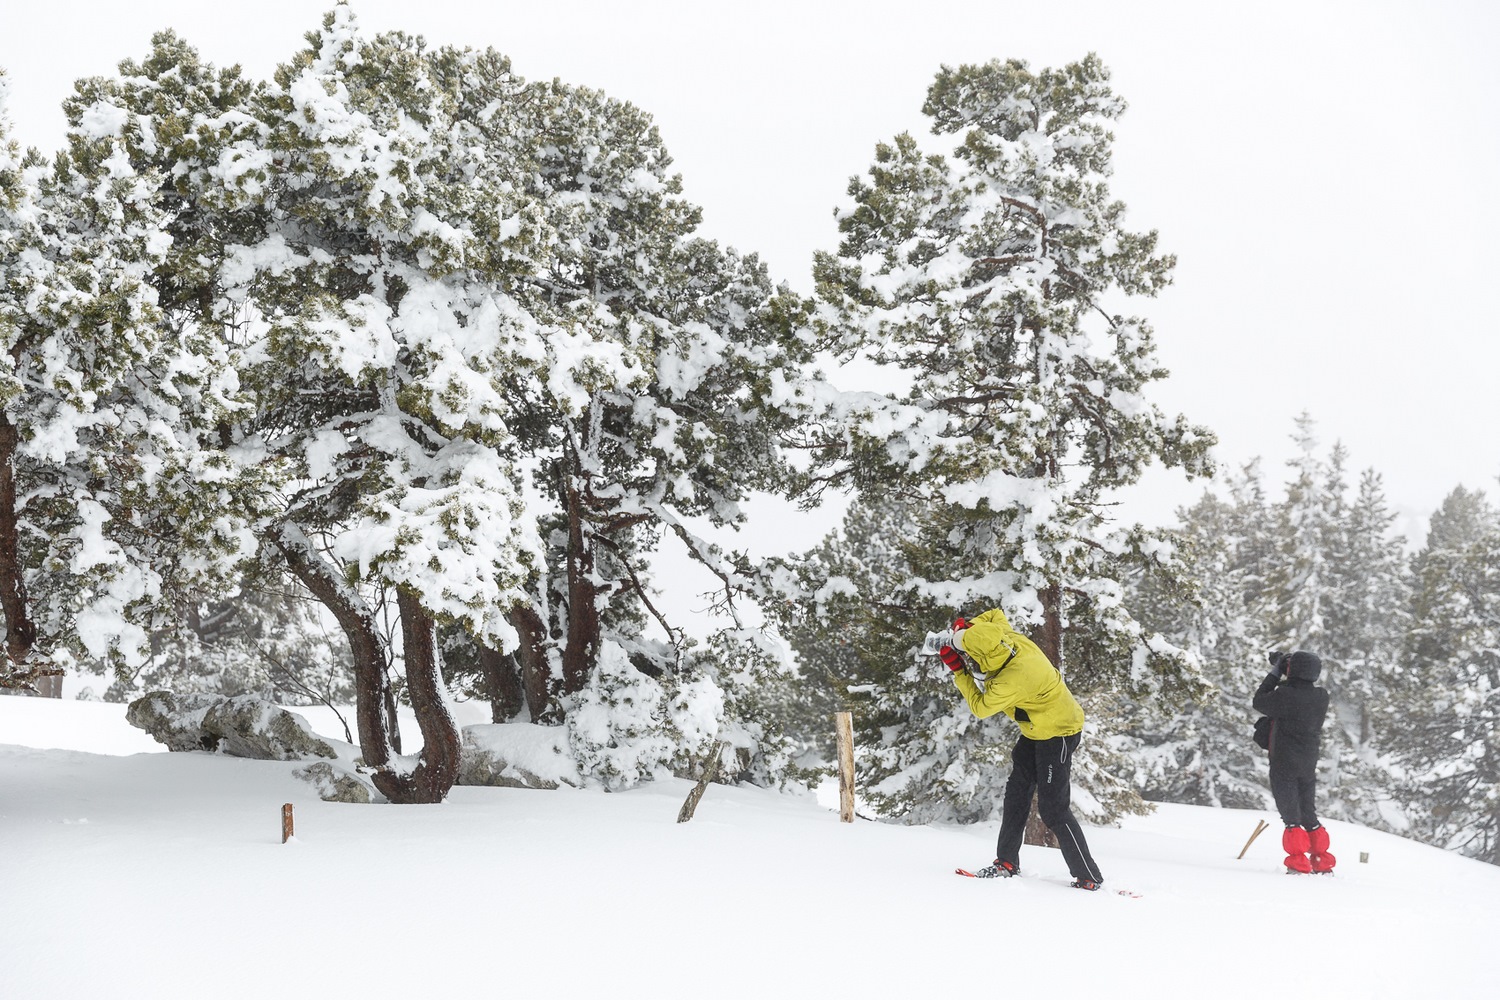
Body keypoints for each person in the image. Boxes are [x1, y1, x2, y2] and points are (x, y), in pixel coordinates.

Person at [937, 608, 1105, 890]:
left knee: (1053, 809)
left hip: (1059, 733)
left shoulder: (1013, 678)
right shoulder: (1005, 635)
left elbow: (980, 707)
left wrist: (959, 671)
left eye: (972, 654)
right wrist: (965, 628)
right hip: (1035, 730)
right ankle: (1006, 862)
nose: (971, 659)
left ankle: (1089, 876)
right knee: (1016, 794)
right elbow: (994, 614)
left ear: (986, 656)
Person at [1253, 649, 1335, 874]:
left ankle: (1298, 862)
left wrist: (1275, 672)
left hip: (1283, 761)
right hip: (1308, 762)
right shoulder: (1321, 696)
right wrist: (1286, 669)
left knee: (1291, 814)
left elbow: (1259, 700)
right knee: (1308, 810)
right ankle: (1322, 860)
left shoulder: (1285, 695)